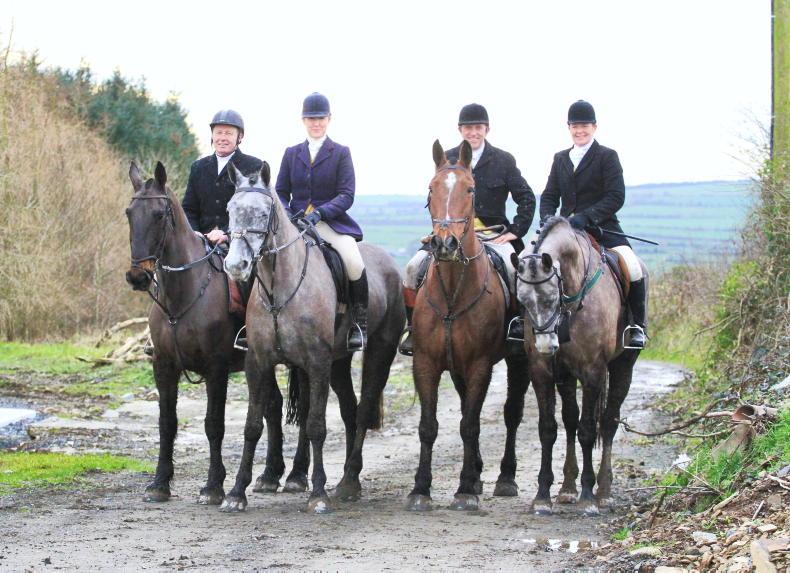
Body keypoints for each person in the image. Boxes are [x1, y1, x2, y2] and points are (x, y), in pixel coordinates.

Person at [398, 103, 536, 355]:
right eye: (468, 128)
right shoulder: (447, 158)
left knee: (515, 270)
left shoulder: (503, 160)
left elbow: (526, 197)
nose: (473, 132)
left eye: (478, 127)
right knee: (412, 268)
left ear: (487, 129)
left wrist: (516, 231)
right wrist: (438, 228)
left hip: (493, 234)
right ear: (460, 130)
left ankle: (517, 325)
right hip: (451, 235)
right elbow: (438, 197)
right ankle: (413, 328)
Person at [540, 100, 647, 348]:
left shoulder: (607, 156)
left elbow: (616, 196)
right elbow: (549, 195)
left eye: (584, 126)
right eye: (575, 126)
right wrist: (548, 219)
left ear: (594, 127)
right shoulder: (560, 158)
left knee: (633, 267)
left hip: (601, 228)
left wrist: (587, 217)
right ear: (569, 127)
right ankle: (531, 325)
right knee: (533, 264)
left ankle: (636, 326)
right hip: (565, 232)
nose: (580, 130)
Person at [275, 92, 368, 352]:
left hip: (330, 223)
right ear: (303, 120)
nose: (316, 123)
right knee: (265, 258)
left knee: (353, 261)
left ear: (329, 119)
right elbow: (280, 191)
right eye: (311, 119)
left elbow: (346, 194)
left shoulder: (340, 153)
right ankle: (257, 323)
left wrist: (321, 213)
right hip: (295, 225)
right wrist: (288, 214)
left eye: (320, 118)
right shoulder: (291, 153)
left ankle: (359, 323)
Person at [182, 109, 264, 247]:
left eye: (228, 133)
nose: (222, 138)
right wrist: (194, 233)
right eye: (218, 132)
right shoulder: (198, 167)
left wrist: (227, 234)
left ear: (240, 136)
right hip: (200, 242)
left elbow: (253, 211)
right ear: (212, 135)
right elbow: (189, 208)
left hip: (237, 242)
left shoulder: (254, 166)